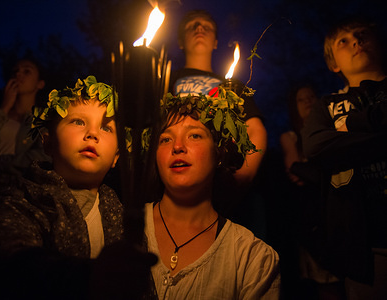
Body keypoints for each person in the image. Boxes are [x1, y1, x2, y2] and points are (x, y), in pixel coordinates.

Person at [0, 76, 156, 299]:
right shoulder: (22, 198)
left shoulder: (123, 216)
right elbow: (12, 261)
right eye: (78, 122)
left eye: (105, 127)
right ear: (48, 142)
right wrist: (91, 276)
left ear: (117, 157)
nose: (92, 133)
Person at [144, 87, 280, 299]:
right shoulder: (120, 226)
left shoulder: (250, 258)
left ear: (219, 153)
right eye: (166, 139)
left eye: (195, 135)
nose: (178, 146)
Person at [302, 16, 387, 299]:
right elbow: (315, 147)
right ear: (333, 63)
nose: (356, 41)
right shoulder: (327, 106)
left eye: (362, 34)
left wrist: (349, 127)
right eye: (344, 41)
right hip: (360, 246)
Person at [170, 9, 267, 191]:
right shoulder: (165, 79)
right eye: (192, 26)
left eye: (207, 26)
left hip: (222, 175)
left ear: (215, 43)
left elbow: (255, 128)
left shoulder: (232, 86)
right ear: (181, 42)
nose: (199, 28)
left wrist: (246, 173)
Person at [279, 83, 344, 299]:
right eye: (301, 99)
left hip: (336, 216)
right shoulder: (291, 138)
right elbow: (296, 174)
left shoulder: (330, 132)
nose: (308, 101)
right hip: (312, 223)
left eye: (311, 97)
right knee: (324, 283)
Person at [0, 57, 51, 171]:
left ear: (40, 84)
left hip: (16, 184)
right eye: (15, 71)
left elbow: (44, 155)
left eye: (27, 71)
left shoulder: (42, 120)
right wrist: (4, 108)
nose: (18, 74)